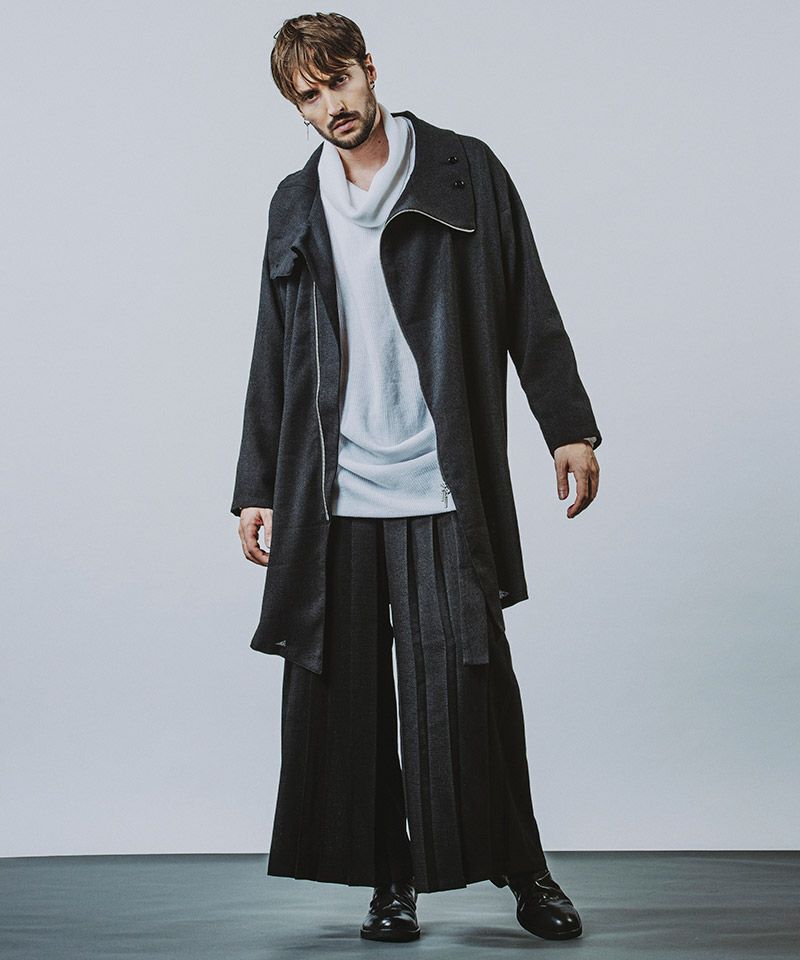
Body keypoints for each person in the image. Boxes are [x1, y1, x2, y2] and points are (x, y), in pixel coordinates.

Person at [231, 11, 602, 943]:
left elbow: (526, 296)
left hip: (441, 483)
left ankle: (525, 871)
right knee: (347, 701)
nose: (330, 106)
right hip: (332, 494)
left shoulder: (462, 169)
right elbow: (274, 350)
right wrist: (257, 485)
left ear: (368, 68)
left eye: (338, 81)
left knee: (471, 687)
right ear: (296, 108)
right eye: (308, 96)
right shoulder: (295, 202)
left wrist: (567, 425)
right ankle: (387, 882)